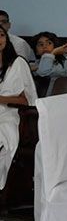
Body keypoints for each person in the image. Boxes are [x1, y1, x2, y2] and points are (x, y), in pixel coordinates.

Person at [0, 24, 37, 191]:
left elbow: (27, 100)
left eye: (1, 35)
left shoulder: (17, 63)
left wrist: (1, 99)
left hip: (10, 115)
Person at [30, 31, 67, 96]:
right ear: (36, 51)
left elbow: (43, 71)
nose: (45, 46)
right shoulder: (36, 63)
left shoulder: (63, 62)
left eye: (49, 43)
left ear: (56, 46)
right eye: (41, 44)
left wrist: (53, 53)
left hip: (55, 98)